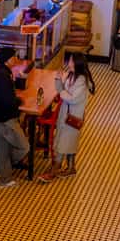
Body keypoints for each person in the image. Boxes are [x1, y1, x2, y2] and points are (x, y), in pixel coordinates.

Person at [38, 53, 95, 182]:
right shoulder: (72, 75)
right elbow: (63, 90)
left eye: (70, 60)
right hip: (67, 115)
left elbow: (72, 98)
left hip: (72, 117)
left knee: (63, 143)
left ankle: (53, 171)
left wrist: (60, 89)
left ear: (75, 63)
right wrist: (59, 80)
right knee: (69, 142)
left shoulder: (81, 81)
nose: (67, 62)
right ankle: (71, 168)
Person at [0, 47, 29, 187]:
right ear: (7, 60)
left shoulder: (1, 72)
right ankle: (12, 164)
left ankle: (5, 179)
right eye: (14, 57)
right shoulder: (3, 76)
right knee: (24, 147)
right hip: (6, 119)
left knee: (4, 149)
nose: (16, 59)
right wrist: (18, 101)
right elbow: (7, 100)